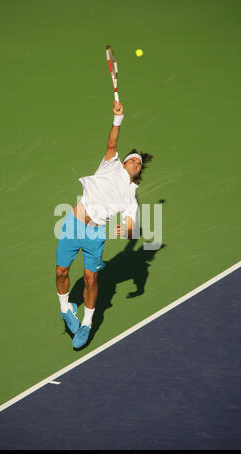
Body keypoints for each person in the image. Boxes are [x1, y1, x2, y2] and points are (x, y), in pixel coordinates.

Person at [55, 100, 152, 349]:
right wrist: (118, 118)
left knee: (90, 279)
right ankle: (66, 308)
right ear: (123, 163)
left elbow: (131, 227)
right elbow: (112, 143)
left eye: (139, 164)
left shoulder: (131, 195)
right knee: (61, 272)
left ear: (138, 172)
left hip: (95, 234)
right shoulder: (110, 164)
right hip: (73, 223)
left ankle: (86, 323)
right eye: (132, 160)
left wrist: (126, 230)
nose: (135, 163)